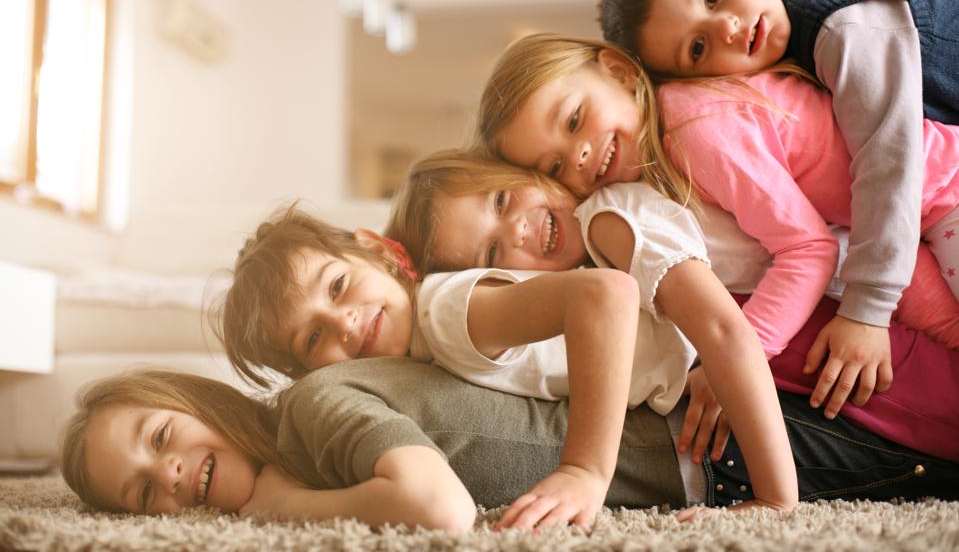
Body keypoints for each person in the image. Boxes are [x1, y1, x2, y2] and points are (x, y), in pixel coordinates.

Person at [209, 203, 798, 527]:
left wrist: (585, 470)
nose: (344, 322)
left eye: (338, 286)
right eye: (315, 338)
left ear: (385, 253)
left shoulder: (443, 311)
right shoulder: (423, 348)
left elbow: (605, 295)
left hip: (723, 400)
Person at [473, 33, 959, 417]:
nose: (576, 154)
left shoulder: (695, 130)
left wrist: (734, 366)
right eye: (555, 166)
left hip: (939, 187)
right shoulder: (665, 151)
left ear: (619, 72)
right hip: (887, 225)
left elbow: (809, 250)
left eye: (575, 119)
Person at [385, 146, 959, 463]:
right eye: (492, 250)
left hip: (781, 332)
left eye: (504, 199)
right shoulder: (579, 270)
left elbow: (724, 329)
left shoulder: (615, 214)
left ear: (524, 169)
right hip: (755, 357)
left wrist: (774, 497)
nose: (518, 231)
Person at [598, 0, 959, 411]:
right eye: (698, 48)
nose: (726, 27)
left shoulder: (848, 29)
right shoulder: (769, 70)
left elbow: (889, 161)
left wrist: (866, 312)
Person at [59, 361, 959, 530]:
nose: (169, 473)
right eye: (145, 493)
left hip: (702, 449)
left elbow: (438, 508)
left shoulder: (311, 410)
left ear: (198, 399)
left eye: (160, 437)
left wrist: (291, 508)